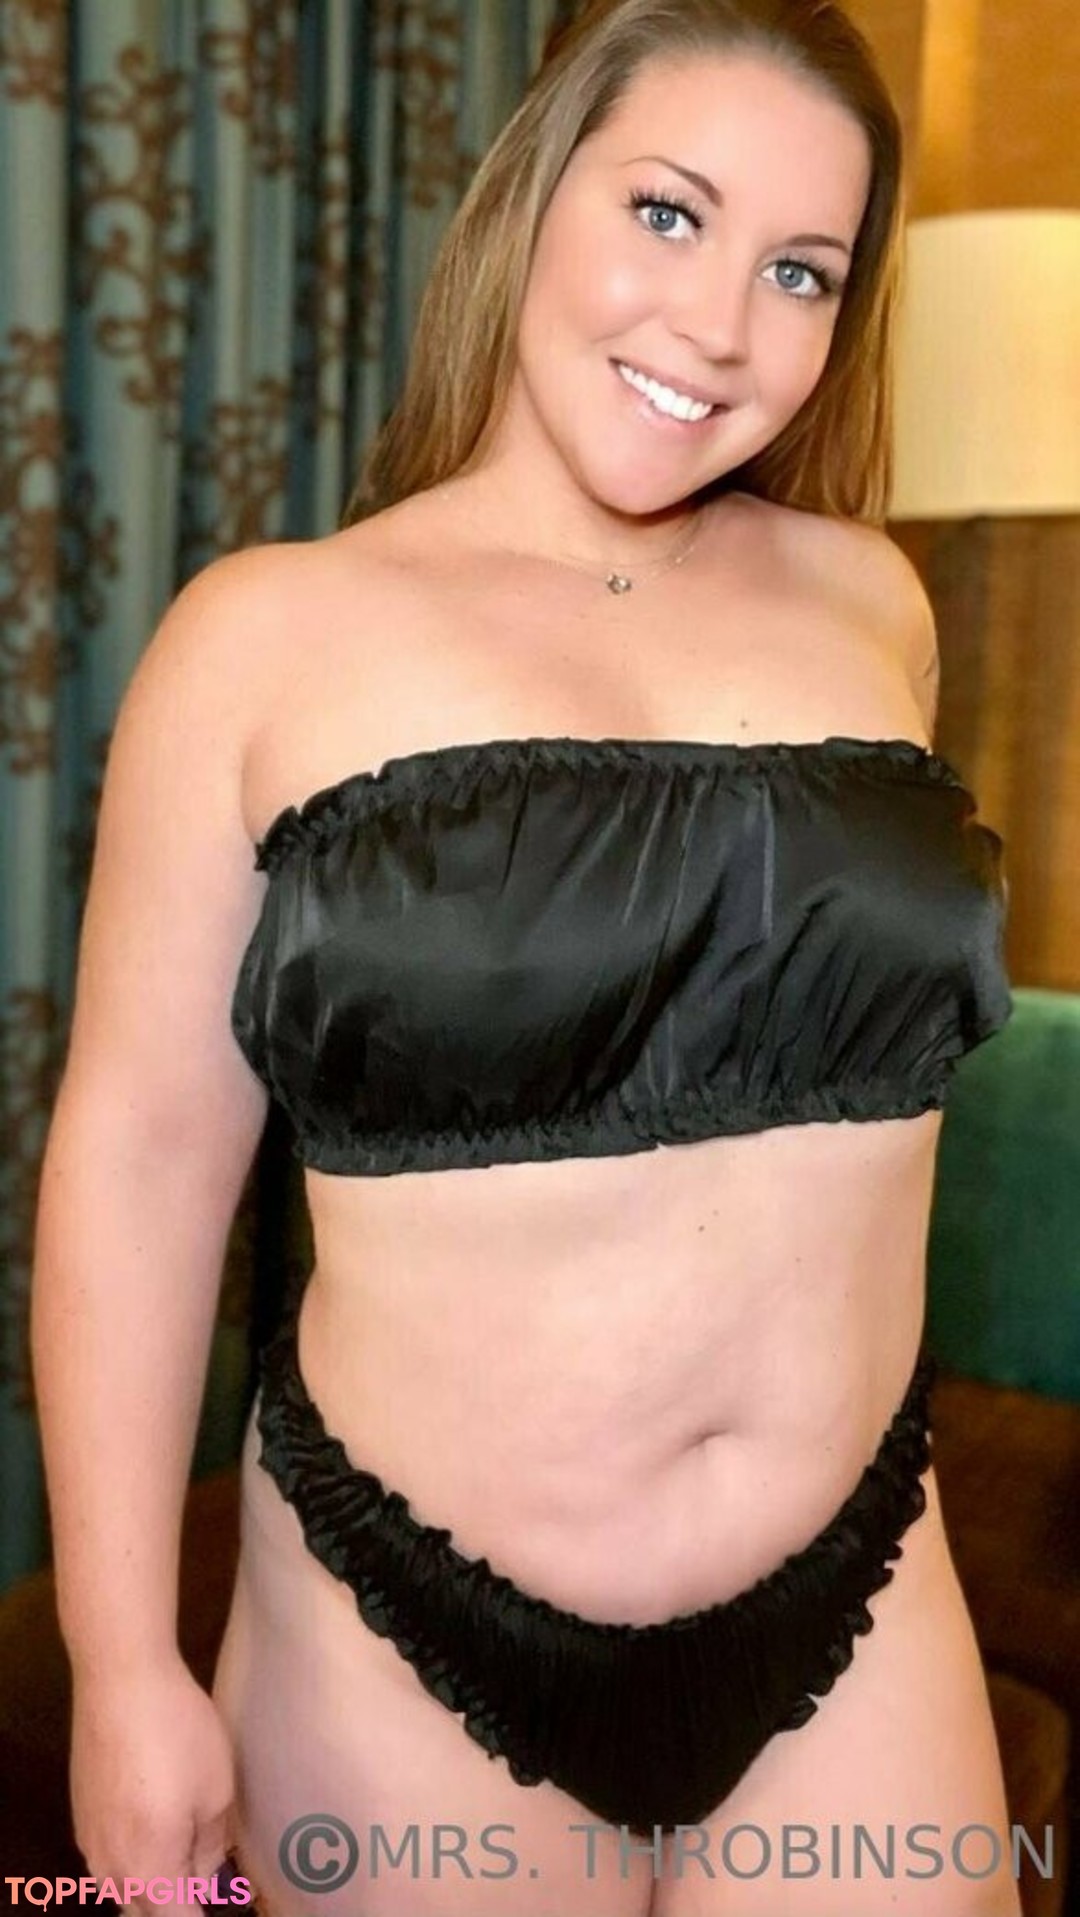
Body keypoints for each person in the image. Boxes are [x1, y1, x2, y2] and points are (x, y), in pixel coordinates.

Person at [32, 1, 1020, 1913]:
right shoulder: (264, 638)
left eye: (799, 270)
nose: (719, 323)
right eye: (668, 213)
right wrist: (122, 1662)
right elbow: (138, 1160)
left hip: (860, 1609)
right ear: (533, 193)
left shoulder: (875, 606)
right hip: (397, 1644)